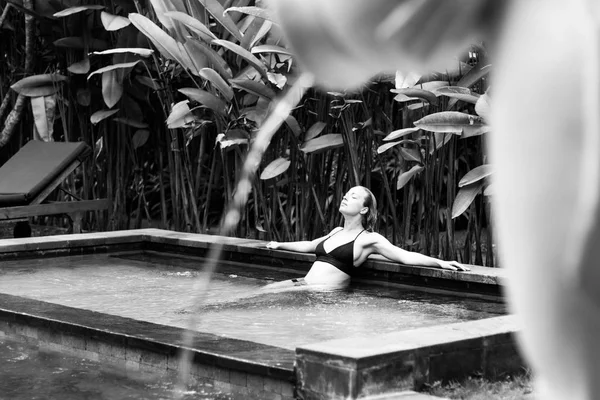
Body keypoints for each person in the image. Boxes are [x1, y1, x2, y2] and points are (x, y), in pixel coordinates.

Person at [265, 186, 469, 290]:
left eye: (353, 196)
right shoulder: (336, 231)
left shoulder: (368, 239)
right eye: (346, 194)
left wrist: (440, 263)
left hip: (325, 295)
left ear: (364, 209)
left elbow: (404, 256)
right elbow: (310, 246)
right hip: (303, 285)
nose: (345, 197)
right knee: (262, 291)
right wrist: (278, 244)